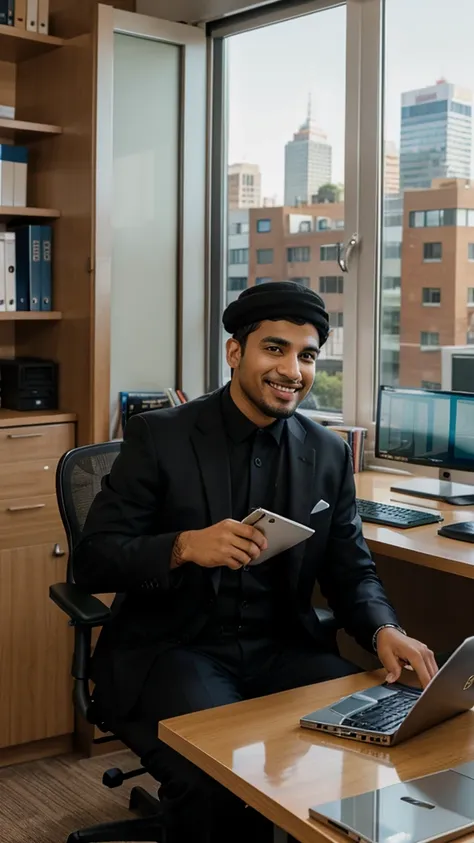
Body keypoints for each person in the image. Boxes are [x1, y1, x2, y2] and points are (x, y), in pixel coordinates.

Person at [74, 281, 437, 843]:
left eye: (307, 355)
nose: (293, 369)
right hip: (175, 649)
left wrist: (385, 628)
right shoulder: (160, 436)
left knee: (380, 747)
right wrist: (183, 546)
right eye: (275, 349)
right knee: (219, 781)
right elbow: (92, 560)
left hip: (284, 651)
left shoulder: (329, 453)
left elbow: (350, 568)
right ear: (235, 352)